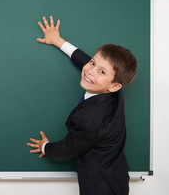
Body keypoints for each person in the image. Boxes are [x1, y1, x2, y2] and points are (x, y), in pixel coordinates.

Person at [27, 16, 137, 195]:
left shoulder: (90, 120)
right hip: (116, 178)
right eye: (93, 63)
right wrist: (58, 41)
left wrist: (45, 147)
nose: (90, 70)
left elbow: (67, 150)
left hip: (100, 187)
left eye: (101, 71)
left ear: (114, 85)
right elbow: (86, 61)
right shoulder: (114, 91)